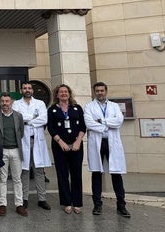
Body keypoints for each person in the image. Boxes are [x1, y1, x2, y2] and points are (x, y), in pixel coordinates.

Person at [85, 82, 131, 218]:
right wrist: (107, 124)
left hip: (112, 143)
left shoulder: (114, 106)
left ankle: (121, 205)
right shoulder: (89, 106)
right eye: (97, 91)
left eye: (102, 90)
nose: (100, 93)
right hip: (98, 143)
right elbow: (89, 123)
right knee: (96, 173)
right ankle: (97, 205)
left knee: (116, 174)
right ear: (94, 92)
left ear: (106, 91)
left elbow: (119, 121)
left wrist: (102, 122)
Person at [12, 81, 52, 210]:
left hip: (37, 140)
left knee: (39, 171)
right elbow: (17, 119)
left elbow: (44, 119)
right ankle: (24, 199)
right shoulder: (16, 104)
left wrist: (27, 120)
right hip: (24, 140)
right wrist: (34, 118)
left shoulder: (40, 104)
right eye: (25, 88)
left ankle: (42, 199)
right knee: (24, 171)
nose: (27, 90)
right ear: (21, 90)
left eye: (29, 88)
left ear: (32, 91)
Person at [47, 84, 86, 214]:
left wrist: (78, 141)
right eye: (61, 92)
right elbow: (51, 128)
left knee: (76, 174)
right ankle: (66, 202)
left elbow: (82, 127)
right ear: (57, 95)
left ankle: (77, 202)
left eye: (66, 91)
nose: (63, 94)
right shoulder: (52, 109)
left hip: (76, 146)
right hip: (59, 147)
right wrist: (60, 142)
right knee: (62, 174)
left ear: (69, 94)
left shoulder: (77, 108)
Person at [0, 92, 28, 217]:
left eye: (7, 101)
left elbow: (21, 133)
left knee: (17, 179)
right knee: (2, 179)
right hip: (2, 151)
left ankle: (19, 204)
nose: (4, 104)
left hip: (16, 150)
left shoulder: (18, 116)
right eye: (2, 101)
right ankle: (3, 205)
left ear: (11, 102)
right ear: (0, 102)